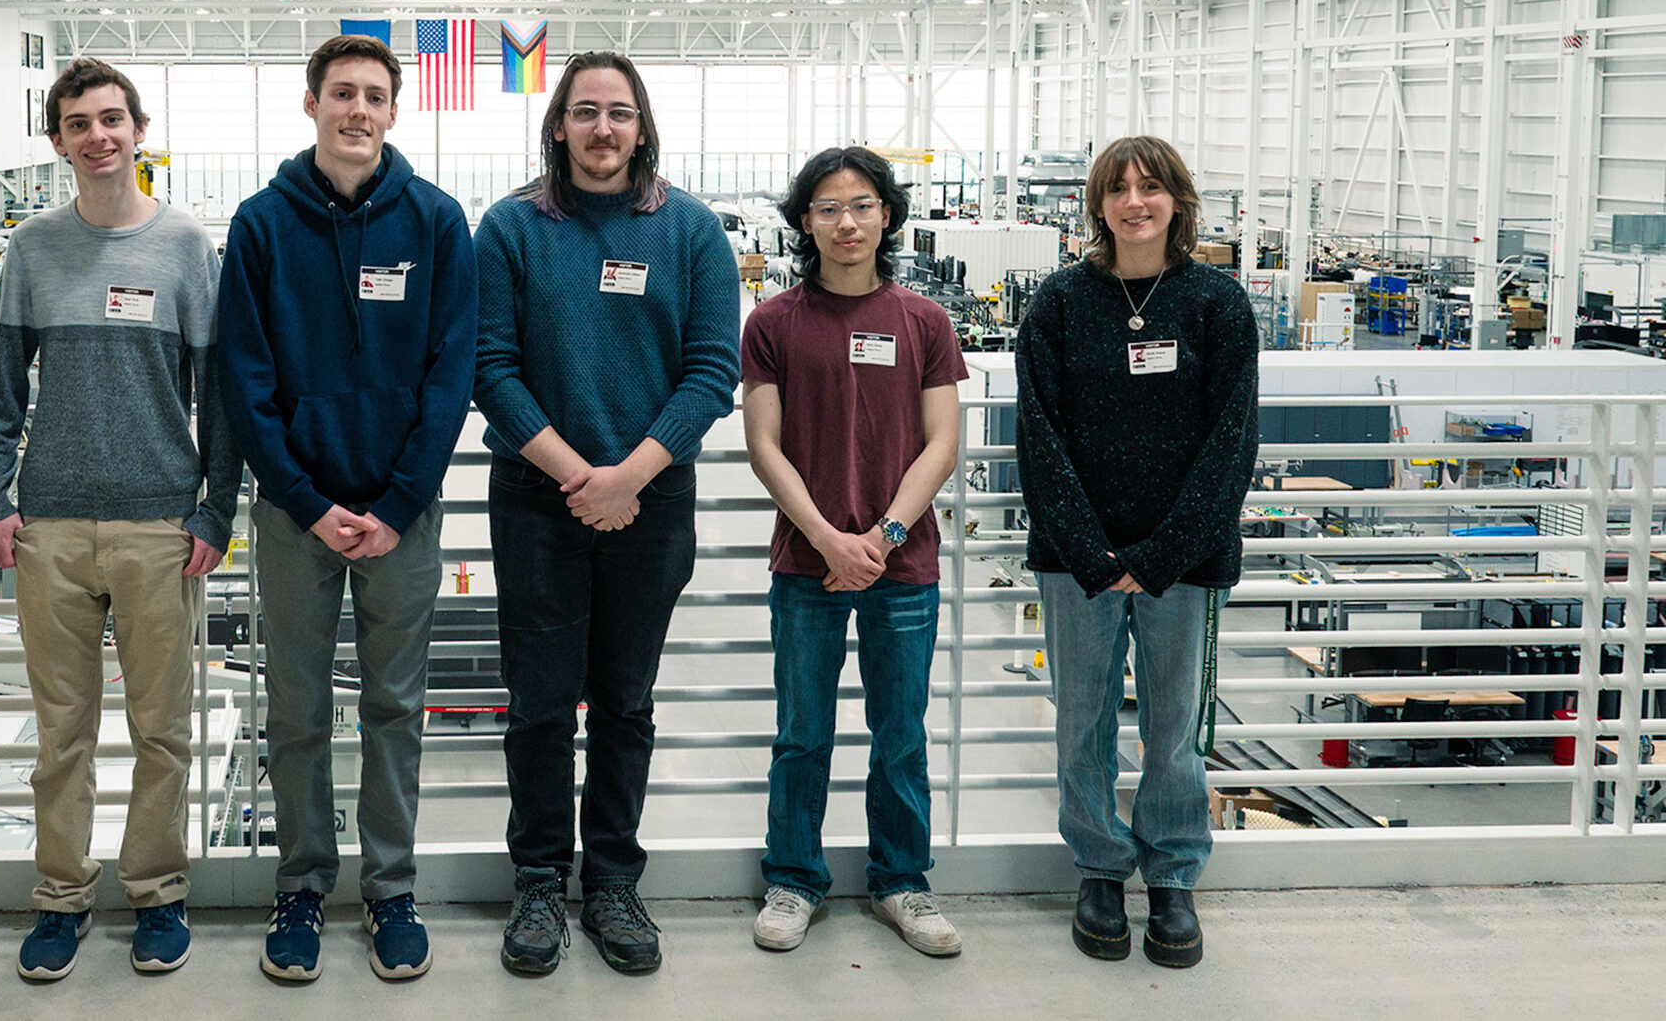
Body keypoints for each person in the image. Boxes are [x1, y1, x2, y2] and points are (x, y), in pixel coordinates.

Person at [217, 33, 477, 983]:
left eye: (373, 95)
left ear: (394, 111)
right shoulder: (260, 225)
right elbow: (244, 381)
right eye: (341, 94)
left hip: (402, 517)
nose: (356, 110)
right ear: (312, 104)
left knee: (395, 707)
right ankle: (301, 886)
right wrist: (305, 499)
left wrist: (402, 500)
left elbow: (452, 375)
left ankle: (391, 887)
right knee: (294, 709)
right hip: (295, 518)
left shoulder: (440, 223)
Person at [472, 51, 739, 976]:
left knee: (625, 701)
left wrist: (628, 475)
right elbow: (489, 367)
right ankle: (540, 879)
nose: (602, 129)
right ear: (558, 127)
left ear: (641, 125)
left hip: (653, 501)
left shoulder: (693, 231)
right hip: (537, 500)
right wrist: (578, 475)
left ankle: (613, 881)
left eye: (618, 113)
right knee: (541, 705)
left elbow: (713, 371)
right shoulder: (509, 229)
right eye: (584, 112)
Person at [0, 57, 237, 981]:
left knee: (163, 729)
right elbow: (0, 390)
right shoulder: (34, 251)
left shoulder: (186, 248)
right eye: (79, 122)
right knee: (62, 733)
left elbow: (221, 399)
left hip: (160, 528)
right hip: (48, 528)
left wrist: (214, 508)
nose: (99, 136)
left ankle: (158, 893)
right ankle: (60, 898)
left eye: (112, 118)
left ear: (139, 129)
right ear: (58, 141)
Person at [1013, 134, 1259, 969]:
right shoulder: (1057, 305)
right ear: (1098, 205)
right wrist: (1093, 554)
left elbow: (1231, 443)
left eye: (1150, 187)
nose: (1134, 202)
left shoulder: (1216, 305)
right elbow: (1039, 439)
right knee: (1080, 723)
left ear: (1178, 202)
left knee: (1172, 728)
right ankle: (1098, 868)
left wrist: (1154, 559)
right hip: (1077, 561)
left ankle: (1174, 877)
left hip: (1181, 564)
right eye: (1118, 189)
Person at [741, 146, 966, 957]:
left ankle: (903, 881)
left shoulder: (924, 322)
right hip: (807, 566)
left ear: (888, 216)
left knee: (899, 732)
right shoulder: (772, 324)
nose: (847, 221)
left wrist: (884, 536)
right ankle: (794, 878)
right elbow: (764, 447)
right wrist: (829, 538)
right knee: (802, 731)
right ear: (805, 221)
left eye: (863, 205)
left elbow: (942, 444)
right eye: (829, 207)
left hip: (901, 569)